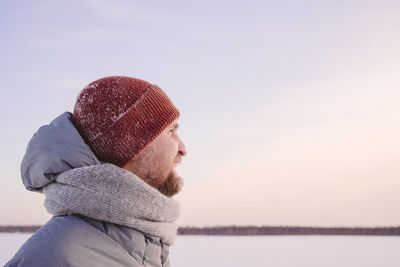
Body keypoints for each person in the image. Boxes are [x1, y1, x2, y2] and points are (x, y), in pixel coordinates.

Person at [6, 76, 187, 267]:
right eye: (171, 131)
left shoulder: (147, 242)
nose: (183, 148)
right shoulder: (54, 258)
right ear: (131, 144)